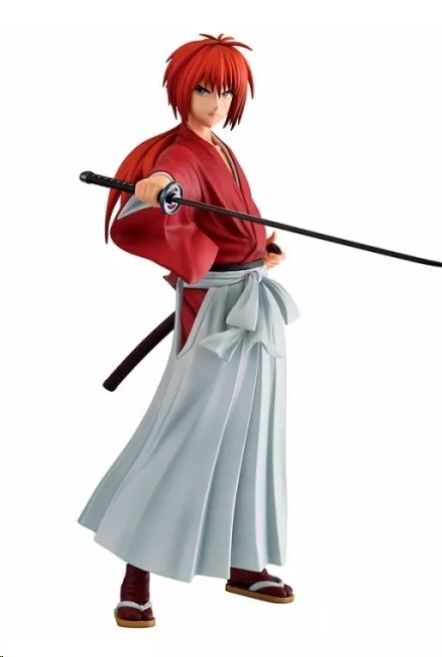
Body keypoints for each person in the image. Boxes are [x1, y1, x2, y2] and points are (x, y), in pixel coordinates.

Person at [77, 33, 300, 629]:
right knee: (184, 436)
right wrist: (156, 193)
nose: (216, 103)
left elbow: (228, 223)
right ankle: (136, 577)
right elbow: (166, 192)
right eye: (205, 90)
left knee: (252, 435)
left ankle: (243, 562)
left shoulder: (221, 148)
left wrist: (260, 247)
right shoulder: (180, 154)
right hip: (215, 314)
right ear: (182, 91)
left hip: (251, 303)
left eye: (226, 92)